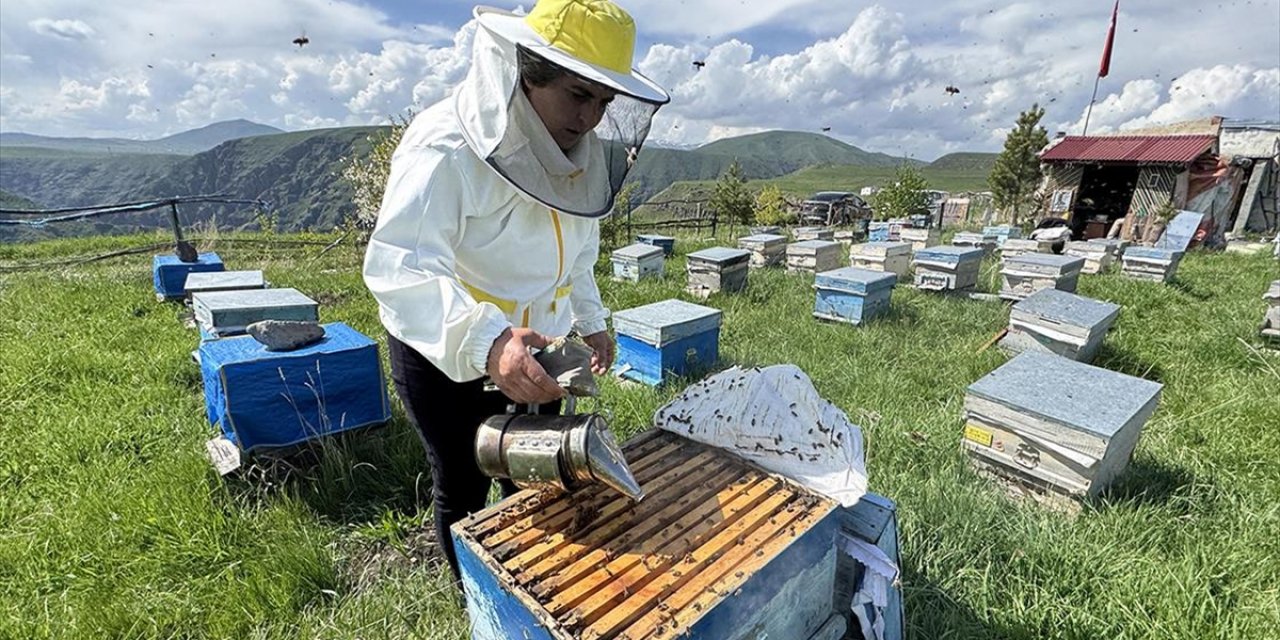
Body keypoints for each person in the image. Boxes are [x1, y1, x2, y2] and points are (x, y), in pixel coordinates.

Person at [361, 0, 669, 583]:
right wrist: (487, 341)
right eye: (578, 94)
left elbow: (576, 252)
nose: (590, 118)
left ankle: (529, 587)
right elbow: (402, 265)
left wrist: (591, 318)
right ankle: (478, 602)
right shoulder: (446, 146)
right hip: (447, 352)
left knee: (535, 473)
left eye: (604, 102)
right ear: (530, 72)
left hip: (539, 350)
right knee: (463, 482)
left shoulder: (577, 157)